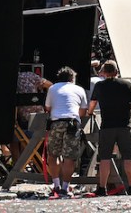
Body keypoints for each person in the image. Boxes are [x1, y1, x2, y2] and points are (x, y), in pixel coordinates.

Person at [86, 60, 131, 196]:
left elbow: (92, 104)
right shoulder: (126, 85)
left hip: (107, 126)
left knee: (105, 157)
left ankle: (102, 188)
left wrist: (90, 113)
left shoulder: (99, 86)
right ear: (117, 72)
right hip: (124, 126)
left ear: (104, 72)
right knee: (128, 156)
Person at [45, 66, 88, 199]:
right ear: (72, 78)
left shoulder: (52, 88)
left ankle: (56, 185)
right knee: (69, 157)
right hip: (72, 123)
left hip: (56, 122)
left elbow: (47, 107)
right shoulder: (79, 89)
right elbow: (83, 111)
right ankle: (65, 188)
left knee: (53, 154)